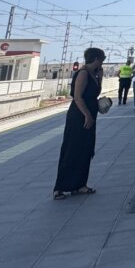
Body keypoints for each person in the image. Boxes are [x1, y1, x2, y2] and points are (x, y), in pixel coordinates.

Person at [53, 47, 105, 199]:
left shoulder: (94, 74)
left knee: (86, 149)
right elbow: (77, 97)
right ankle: (60, 187)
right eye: (102, 59)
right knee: (72, 149)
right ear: (95, 59)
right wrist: (87, 115)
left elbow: (95, 93)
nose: (102, 62)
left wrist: (100, 77)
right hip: (79, 116)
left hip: (90, 114)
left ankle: (79, 184)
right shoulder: (83, 73)